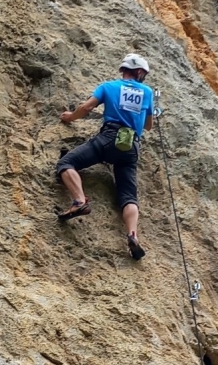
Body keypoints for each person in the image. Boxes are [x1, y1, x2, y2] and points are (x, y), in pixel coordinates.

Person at [56, 54, 155, 260]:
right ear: (138, 72)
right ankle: (132, 235)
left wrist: (70, 117)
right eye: (143, 73)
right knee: (129, 196)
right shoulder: (147, 92)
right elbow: (148, 125)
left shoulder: (108, 86)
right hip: (131, 146)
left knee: (67, 162)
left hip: (109, 138)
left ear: (124, 69)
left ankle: (79, 201)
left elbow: (87, 107)